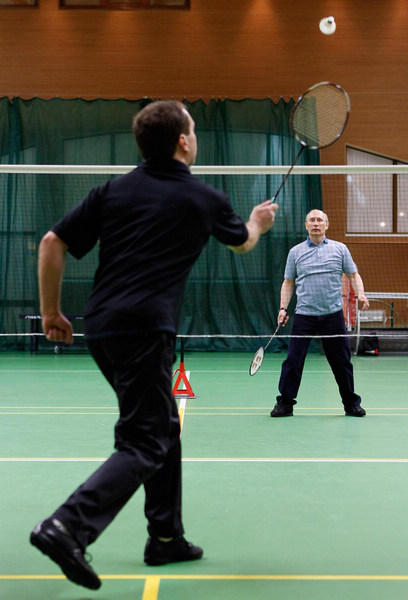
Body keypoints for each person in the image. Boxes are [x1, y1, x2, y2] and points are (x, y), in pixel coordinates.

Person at [29, 100, 279, 590]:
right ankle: (68, 526)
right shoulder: (203, 197)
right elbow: (242, 242)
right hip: (146, 328)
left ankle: (165, 537)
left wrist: (51, 312)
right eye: (193, 129)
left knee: (163, 425)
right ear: (184, 141)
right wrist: (258, 221)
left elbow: (51, 243)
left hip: (102, 326)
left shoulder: (113, 190)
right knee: (145, 440)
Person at [270, 208, 369, 418]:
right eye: (311, 220)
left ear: (326, 225)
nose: (315, 223)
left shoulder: (340, 249)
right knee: (293, 361)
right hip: (304, 315)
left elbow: (353, 274)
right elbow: (288, 283)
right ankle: (285, 403)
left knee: (341, 362)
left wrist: (361, 294)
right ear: (306, 225)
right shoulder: (295, 252)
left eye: (319, 220)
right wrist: (282, 308)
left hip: (332, 315)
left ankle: (351, 403)